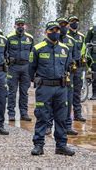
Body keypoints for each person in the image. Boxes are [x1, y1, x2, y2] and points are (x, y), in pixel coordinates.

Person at [29, 21, 75, 156]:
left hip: (61, 88)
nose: (55, 33)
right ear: (46, 32)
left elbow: (68, 67)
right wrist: (39, 81)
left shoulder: (65, 49)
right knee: (42, 116)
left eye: (57, 30)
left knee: (61, 118)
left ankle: (61, 146)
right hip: (45, 88)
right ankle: (38, 145)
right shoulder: (38, 48)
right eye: (52, 30)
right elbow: (31, 69)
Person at [6, 17, 34, 121]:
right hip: (13, 67)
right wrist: (8, 59)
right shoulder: (9, 37)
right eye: (18, 25)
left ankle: (24, 113)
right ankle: (11, 113)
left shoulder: (30, 38)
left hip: (26, 67)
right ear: (15, 26)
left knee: (24, 92)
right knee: (12, 92)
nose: (20, 26)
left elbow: (32, 53)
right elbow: (5, 51)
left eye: (22, 25)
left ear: (25, 26)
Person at [55, 17, 78, 136]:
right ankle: (49, 126)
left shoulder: (71, 40)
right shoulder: (52, 39)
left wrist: (73, 65)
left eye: (65, 25)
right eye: (61, 25)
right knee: (51, 103)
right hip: (54, 76)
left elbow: (75, 56)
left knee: (68, 101)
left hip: (68, 76)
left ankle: (68, 125)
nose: (63, 27)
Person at [67, 15, 87, 122]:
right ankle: (66, 115)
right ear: (68, 23)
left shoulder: (81, 36)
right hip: (69, 67)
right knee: (68, 91)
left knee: (77, 91)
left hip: (78, 67)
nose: (75, 23)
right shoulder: (65, 35)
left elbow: (83, 50)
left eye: (76, 21)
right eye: (72, 21)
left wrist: (84, 62)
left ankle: (77, 114)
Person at [84, 23, 96, 100]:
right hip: (94, 55)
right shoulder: (92, 29)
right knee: (95, 74)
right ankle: (94, 93)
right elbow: (86, 42)